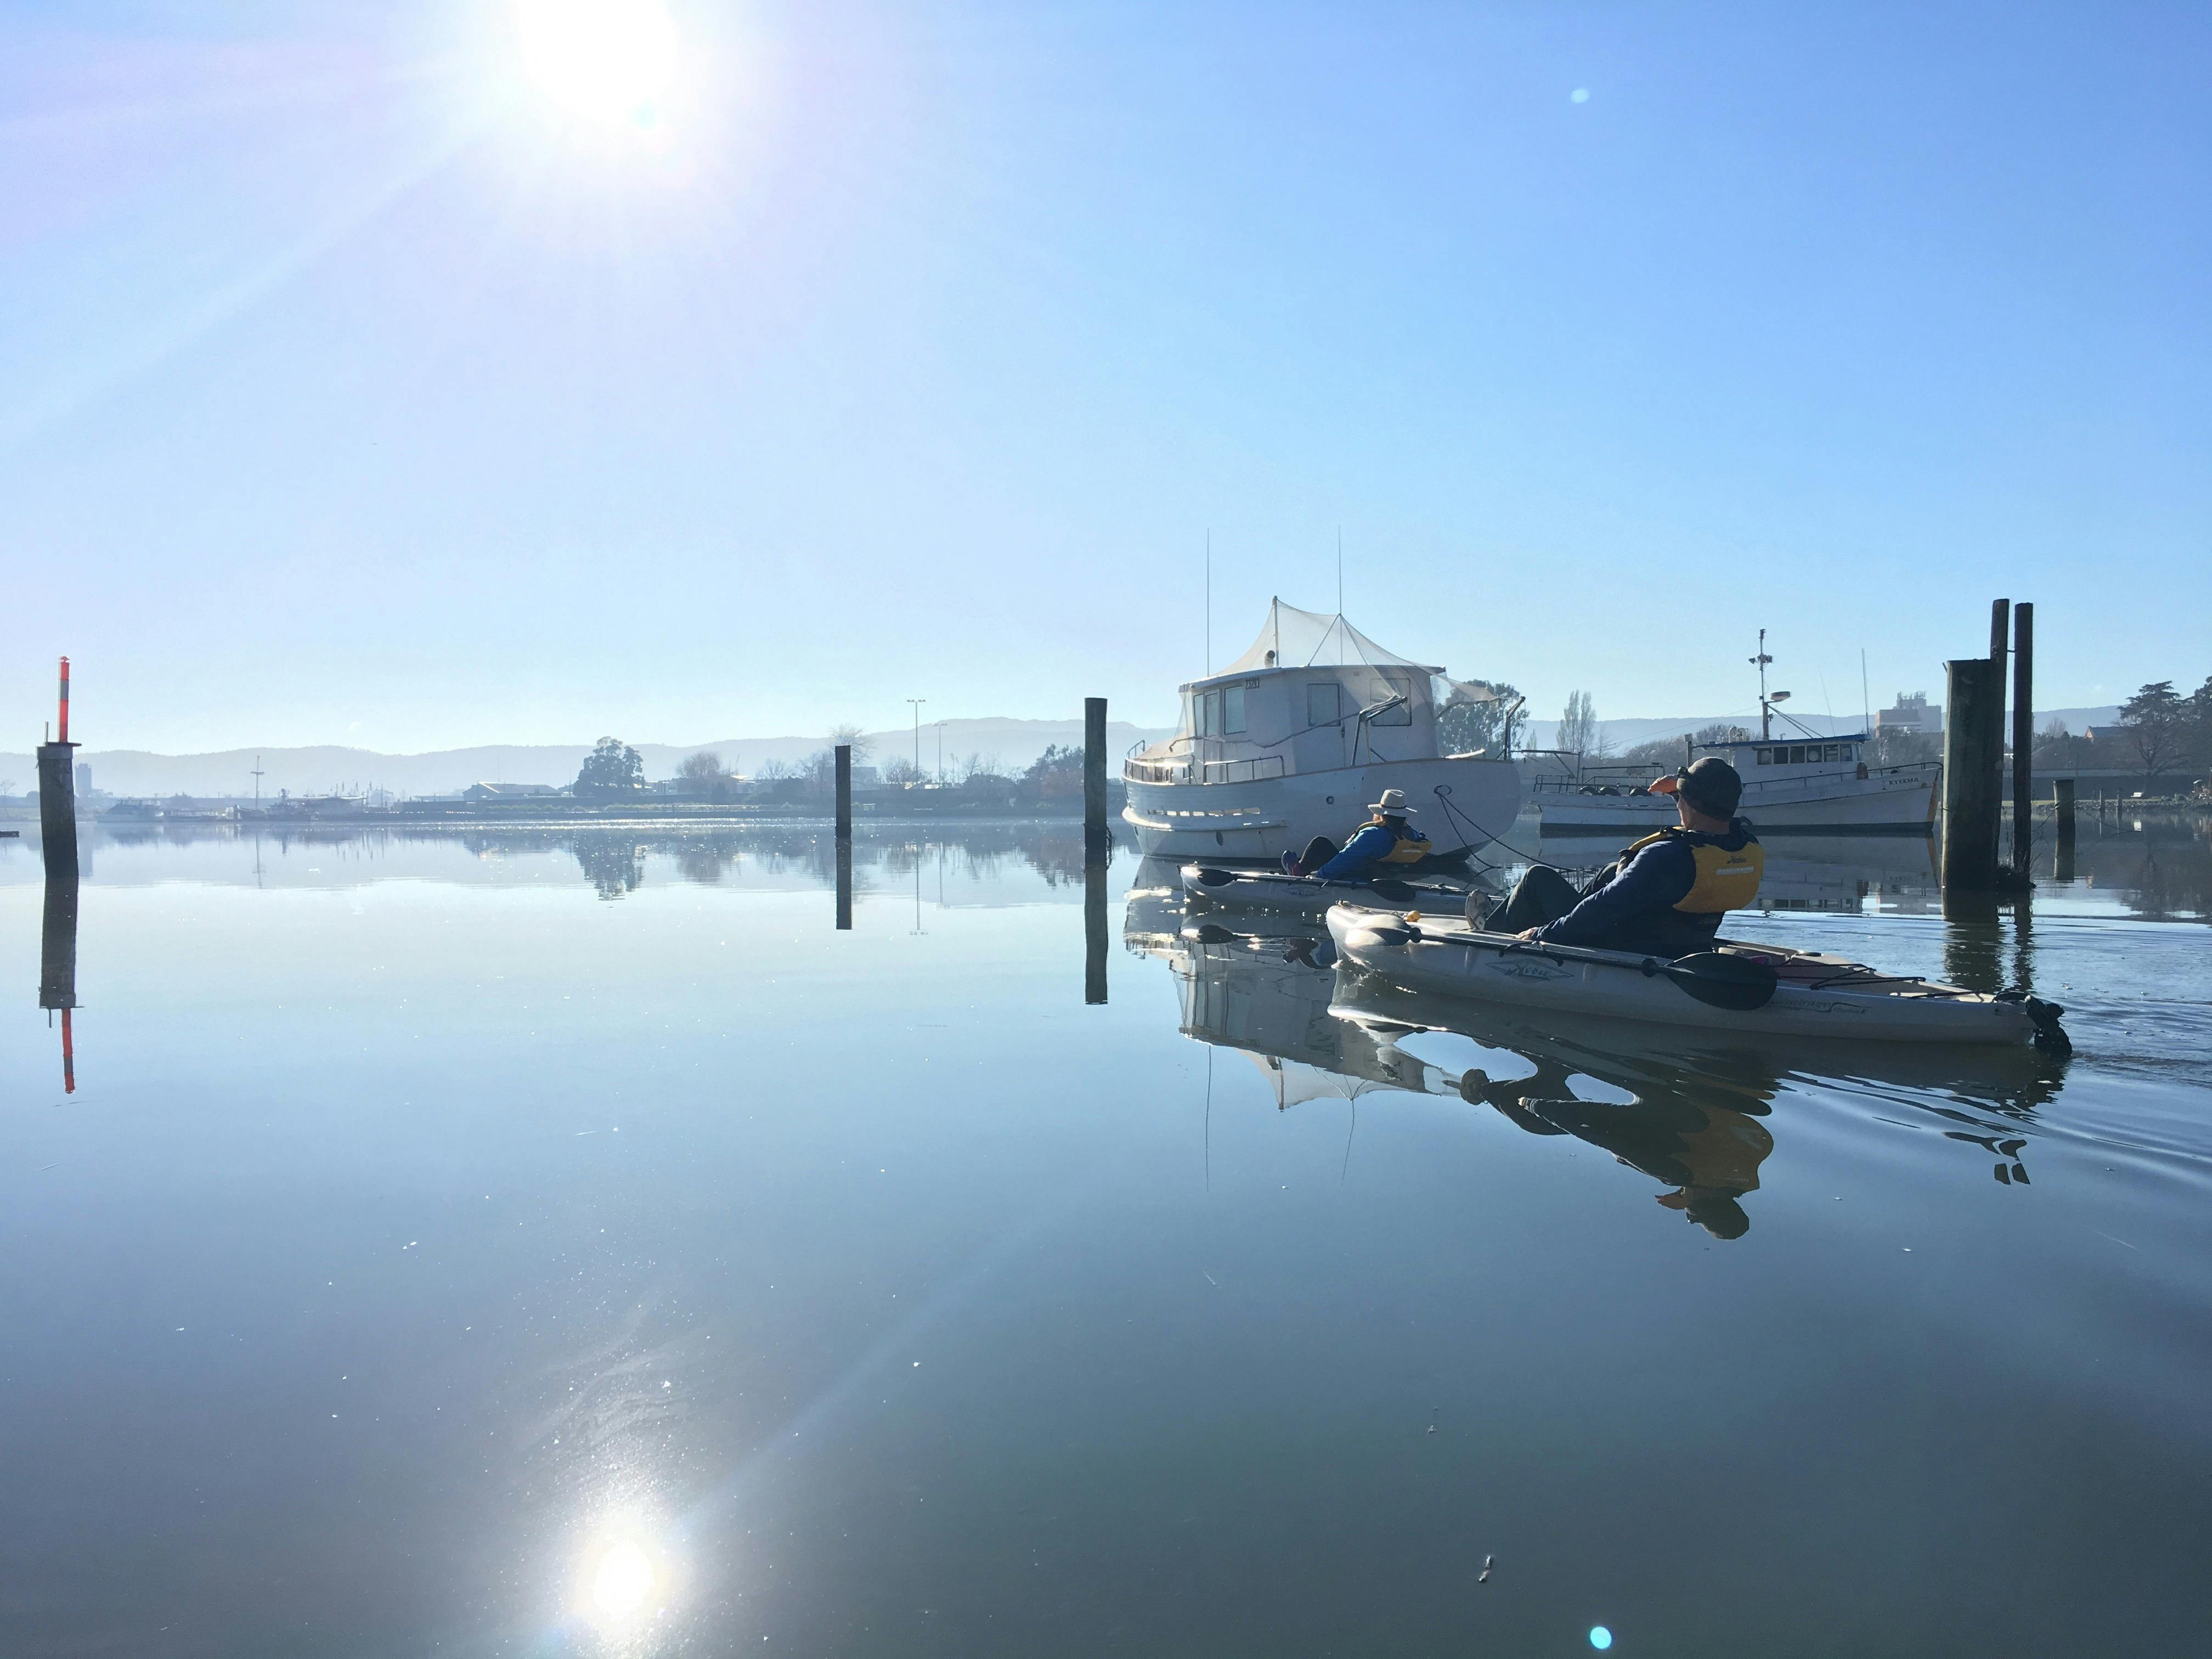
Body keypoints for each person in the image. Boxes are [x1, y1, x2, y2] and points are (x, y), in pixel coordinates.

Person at [1483, 756, 1763, 957]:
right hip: (1685, 943)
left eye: (1680, 798)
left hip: (1628, 949)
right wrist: (1680, 791)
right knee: (1610, 872)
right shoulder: (1743, 845)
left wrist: (1543, 934)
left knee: (1537, 878)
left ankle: (1488, 939)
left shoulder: (1666, 857)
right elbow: (1706, 813)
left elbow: (1599, 910)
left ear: (1689, 801)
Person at [1283, 788, 1434, 879]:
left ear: (1382, 813)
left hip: (1358, 875)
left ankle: (1299, 872)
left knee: (1320, 843)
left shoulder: (1373, 834)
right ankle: (1301, 865)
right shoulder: (1411, 834)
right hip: (1386, 876)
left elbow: (1346, 858)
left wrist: (1318, 876)